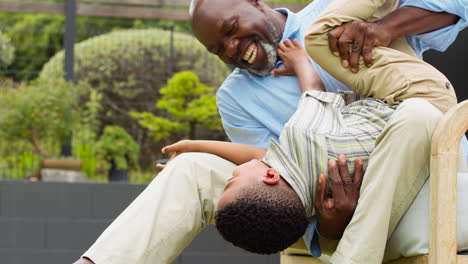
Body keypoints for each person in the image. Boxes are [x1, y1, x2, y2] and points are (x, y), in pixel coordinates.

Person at [74, 0, 467, 263]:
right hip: (320, 199)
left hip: (417, 165)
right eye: (218, 49)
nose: (231, 48)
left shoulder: (334, 11)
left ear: (257, 1)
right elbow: (275, 172)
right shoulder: (235, 97)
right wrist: (327, 227)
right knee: (191, 168)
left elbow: (454, 5)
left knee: (417, 115)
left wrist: (380, 28)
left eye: (231, 28)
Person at [156, 35, 454, 256]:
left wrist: (195, 145)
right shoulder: (302, 135)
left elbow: (259, 156)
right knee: (323, 35)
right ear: (270, 176)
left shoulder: (309, 202)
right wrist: (300, 60)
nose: (233, 173)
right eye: (233, 180)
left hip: (416, 121)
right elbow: (314, 91)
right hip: (417, 102)